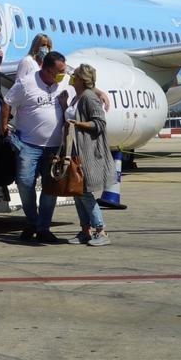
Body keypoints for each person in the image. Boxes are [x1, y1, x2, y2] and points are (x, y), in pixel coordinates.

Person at [0, 49, 70, 243]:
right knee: (24, 182)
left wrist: (100, 94)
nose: (63, 75)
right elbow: (7, 103)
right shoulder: (26, 83)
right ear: (46, 70)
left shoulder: (62, 82)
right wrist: (3, 127)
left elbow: (83, 82)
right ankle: (32, 220)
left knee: (50, 188)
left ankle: (43, 227)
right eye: (59, 71)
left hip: (54, 147)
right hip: (28, 145)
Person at [64, 64, 112, 246]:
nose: (71, 77)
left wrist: (79, 124)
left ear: (81, 80)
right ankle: (85, 230)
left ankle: (100, 230)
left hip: (88, 151)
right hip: (76, 150)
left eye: (74, 75)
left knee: (84, 192)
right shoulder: (78, 97)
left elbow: (100, 123)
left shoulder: (89, 98)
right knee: (77, 192)